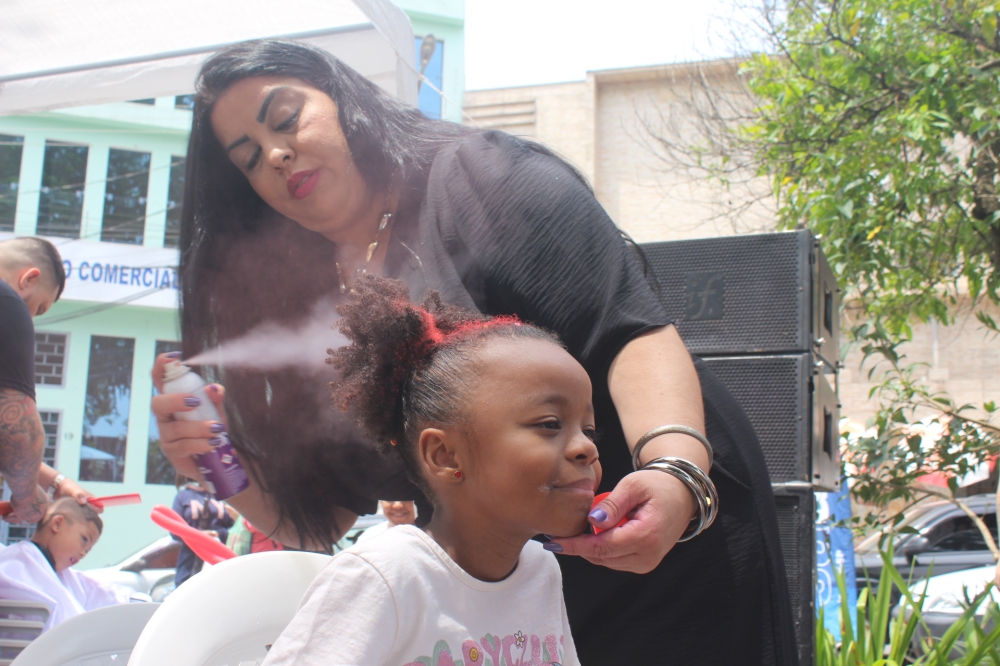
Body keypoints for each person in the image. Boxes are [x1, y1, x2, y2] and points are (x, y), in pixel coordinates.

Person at [150, 40, 797, 664]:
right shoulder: (305, 299)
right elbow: (321, 521)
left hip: (664, 534)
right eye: (248, 158)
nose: (276, 154)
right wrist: (218, 463)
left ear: (343, 99)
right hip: (499, 604)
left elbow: (629, 331)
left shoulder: (481, 178)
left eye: (286, 118)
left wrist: (676, 476)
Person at [265, 276, 594, 665]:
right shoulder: (386, 575)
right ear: (445, 455)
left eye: (589, 430)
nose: (586, 448)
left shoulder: (541, 570)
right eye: (550, 424)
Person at [0, 237, 95, 525]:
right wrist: (28, 498)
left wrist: (55, 481)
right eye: (37, 308)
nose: (30, 318)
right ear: (29, 278)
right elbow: (17, 432)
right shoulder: (8, 301)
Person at [0, 498, 130, 632]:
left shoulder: (59, 573)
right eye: (84, 539)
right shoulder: (16, 564)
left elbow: (100, 593)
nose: (82, 554)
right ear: (57, 524)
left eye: (87, 550)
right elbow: (69, 626)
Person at [171, 477, 234, 585]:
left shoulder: (220, 495)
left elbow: (234, 529)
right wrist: (198, 536)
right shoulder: (183, 496)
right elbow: (174, 531)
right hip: (191, 557)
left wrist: (216, 534)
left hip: (218, 555)